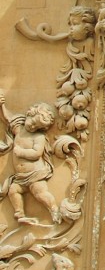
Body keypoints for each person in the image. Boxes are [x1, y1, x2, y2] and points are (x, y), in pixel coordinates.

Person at [0, 92, 60, 225]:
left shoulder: (38, 137)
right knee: (13, 190)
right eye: (32, 122)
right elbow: (8, 119)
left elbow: (36, 154)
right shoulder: (19, 129)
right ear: (29, 114)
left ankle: (54, 209)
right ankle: (19, 213)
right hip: (21, 177)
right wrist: (2, 105)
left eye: (36, 127)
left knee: (40, 193)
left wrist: (21, 152)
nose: (32, 127)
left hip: (35, 175)